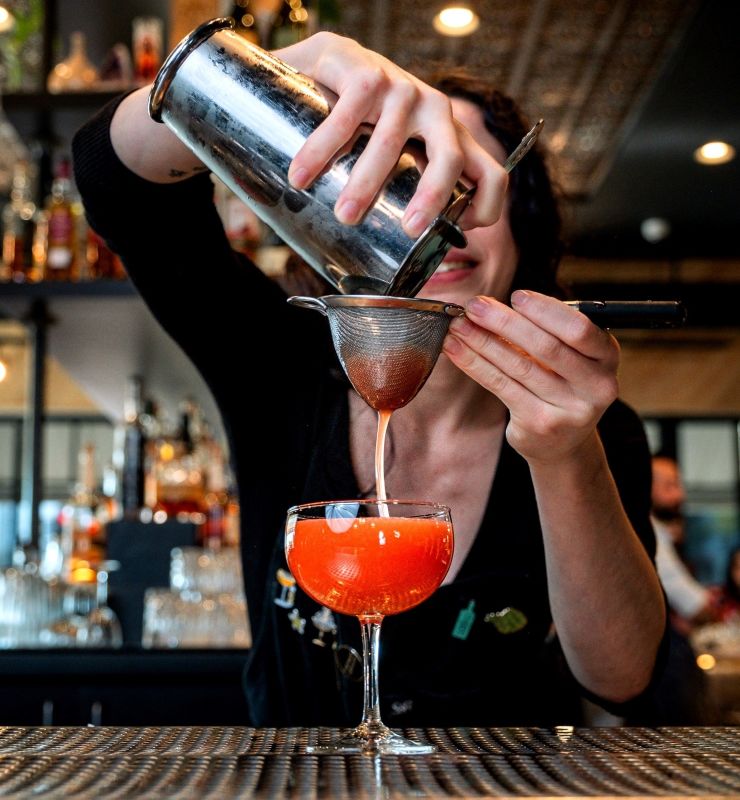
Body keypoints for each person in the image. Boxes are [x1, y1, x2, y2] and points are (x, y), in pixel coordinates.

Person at [72, 31, 666, 726]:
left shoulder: (587, 426)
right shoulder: (282, 366)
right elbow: (114, 181)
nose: (434, 225)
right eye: (403, 184)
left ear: (520, 224)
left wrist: (566, 453)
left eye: (466, 191)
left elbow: (618, 677)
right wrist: (282, 71)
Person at [651, 453, 717, 633]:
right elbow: (692, 604)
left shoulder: (664, 533)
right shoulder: (651, 534)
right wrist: (717, 612)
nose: (680, 495)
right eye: (669, 486)